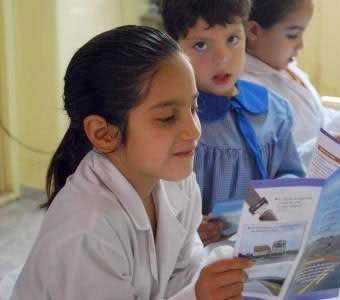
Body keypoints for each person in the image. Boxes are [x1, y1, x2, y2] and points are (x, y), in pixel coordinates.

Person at [10, 25, 252, 300]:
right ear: (104, 133)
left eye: (194, 108)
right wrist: (197, 296)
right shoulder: (87, 232)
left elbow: (185, 270)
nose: (194, 130)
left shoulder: (178, 183)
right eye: (167, 118)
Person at [161, 0, 305, 245]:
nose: (222, 58)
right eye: (201, 44)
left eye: (232, 39)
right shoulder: (173, 123)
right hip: (198, 260)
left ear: (247, 34)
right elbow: (157, 197)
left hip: (267, 247)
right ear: (175, 49)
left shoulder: (275, 110)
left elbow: (289, 173)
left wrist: (284, 196)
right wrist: (187, 224)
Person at [242, 0, 340, 167]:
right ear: (253, 31)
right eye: (292, 35)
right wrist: (321, 149)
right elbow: (271, 163)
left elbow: (314, 123)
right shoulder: (248, 90)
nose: (301, 45)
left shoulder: (288, 68)